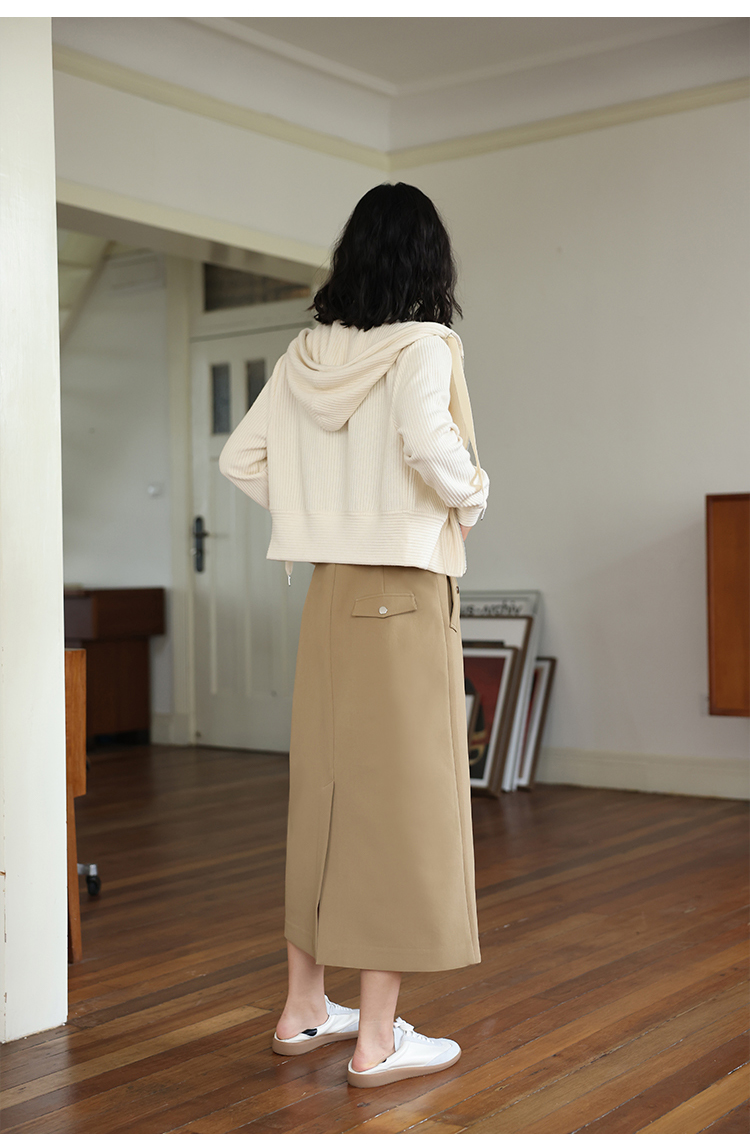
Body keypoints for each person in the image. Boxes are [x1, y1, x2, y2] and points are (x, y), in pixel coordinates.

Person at [219, 182, 490, 1088]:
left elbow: (240, 457)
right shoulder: (424, 345)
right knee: (399, 807)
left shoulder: (304, 355)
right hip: (403, 592)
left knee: (324, 797)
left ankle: (305, 1005)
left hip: (329, 592)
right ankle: (377, 1037)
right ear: (429, 260)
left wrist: (320, 515)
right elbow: (428, 441)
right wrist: (473, 492)